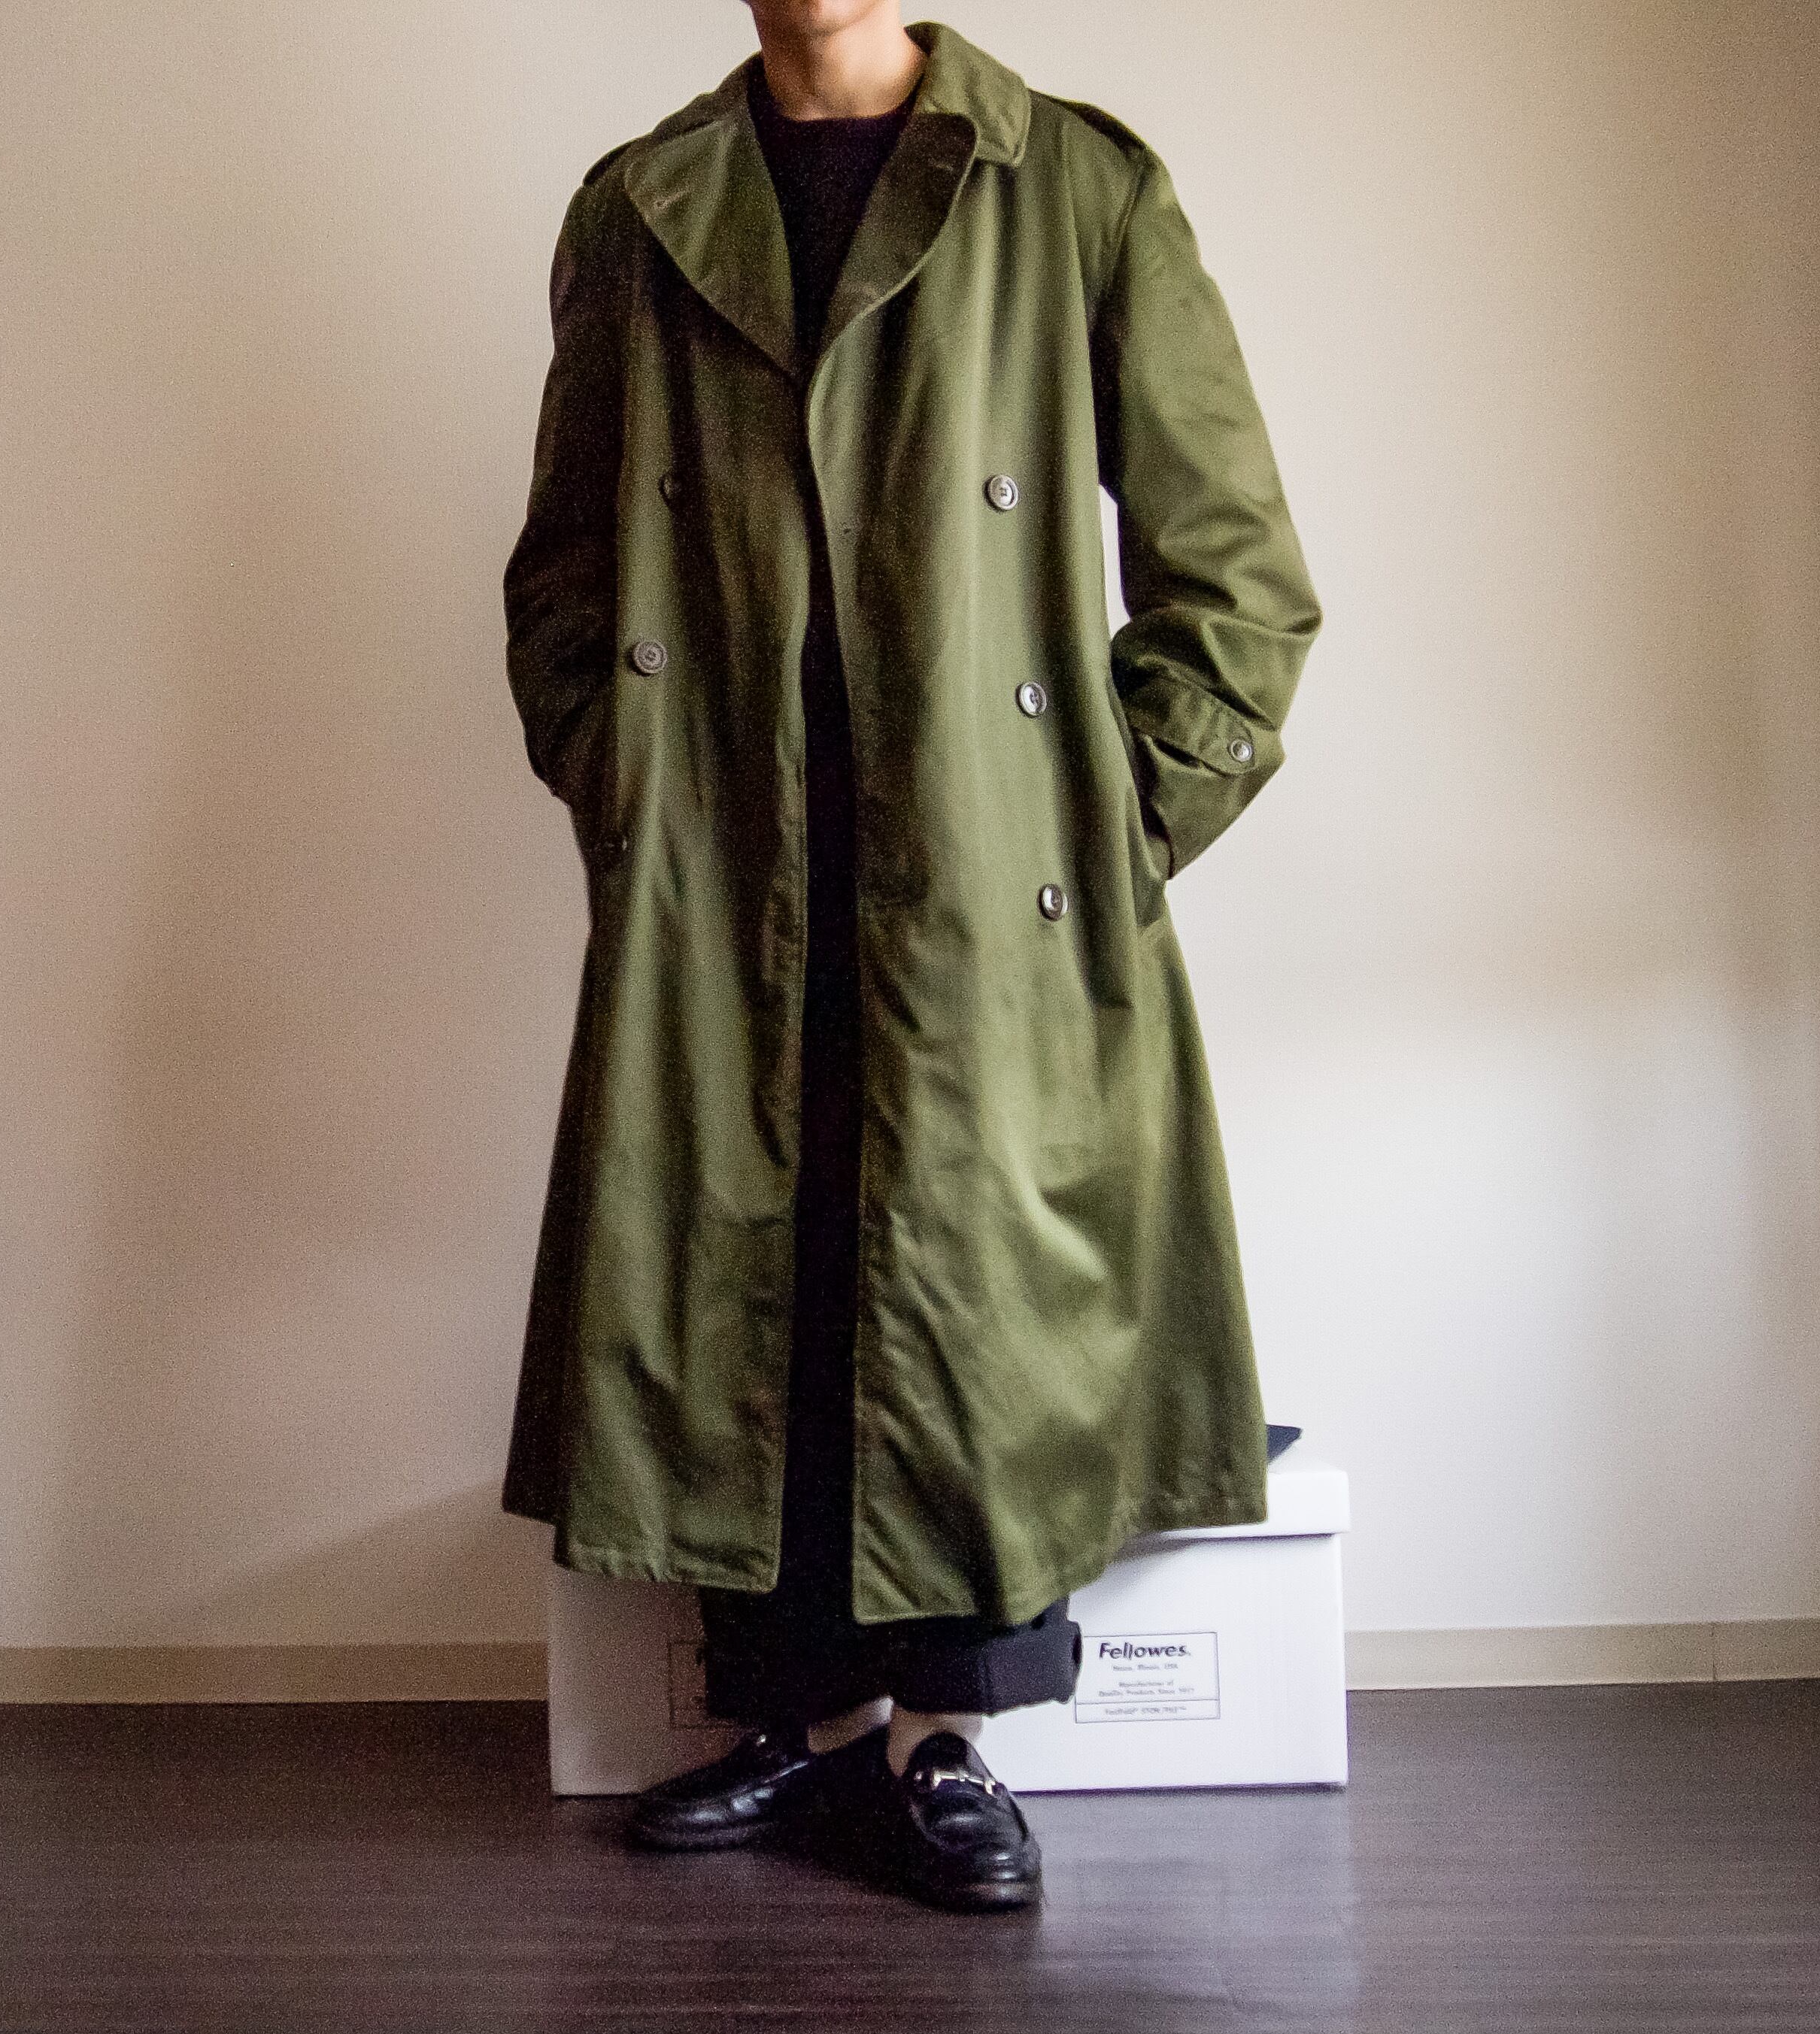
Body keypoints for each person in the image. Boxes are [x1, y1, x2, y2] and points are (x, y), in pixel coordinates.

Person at [497, 3, 1322, 1914]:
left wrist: (1100, 832)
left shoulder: (1077, 188)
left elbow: (1237, 578)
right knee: (750, 1259)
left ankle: (947, 1734)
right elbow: (562, 572)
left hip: (984, 869)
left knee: (968, 1287)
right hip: (731, 851)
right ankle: (793, 1717)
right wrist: (624, 779)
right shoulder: (640, 210)